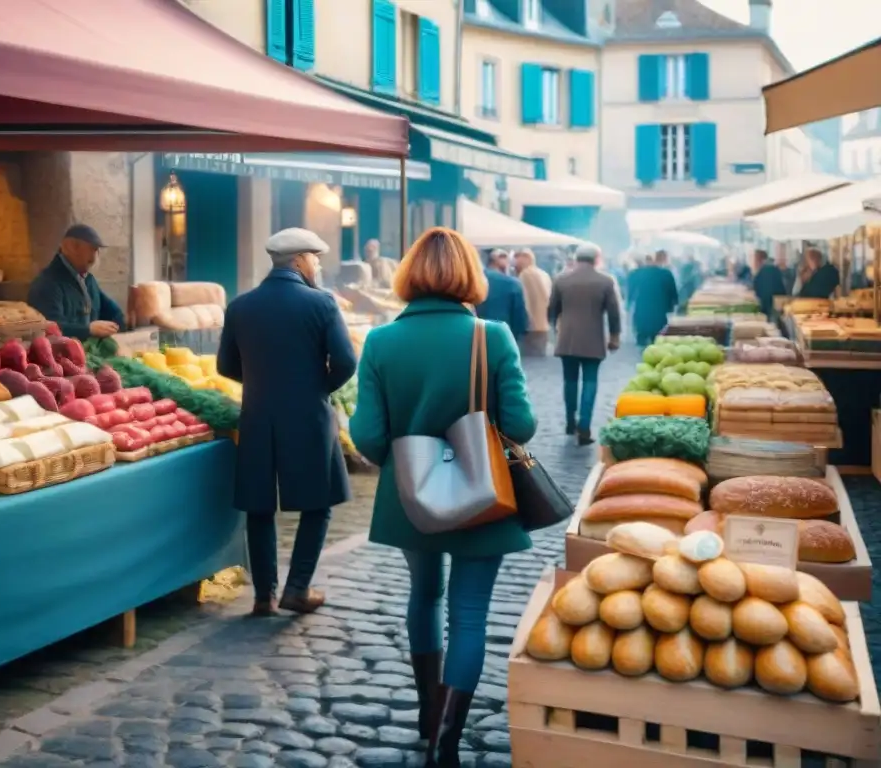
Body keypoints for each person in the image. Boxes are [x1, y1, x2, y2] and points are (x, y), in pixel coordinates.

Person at [350, 227, 536, 766]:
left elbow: (365, 435)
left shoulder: (382, 341)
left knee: (424, 596)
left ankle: (426, 712)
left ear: (409, 274)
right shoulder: (492, 336)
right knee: (471, 614)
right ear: (468, 275)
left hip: (414, 497)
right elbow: (520, 425)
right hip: (483, 496)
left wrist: (409, 465)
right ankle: (446, 741)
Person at [217, 228, 357, 617]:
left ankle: (264, 596)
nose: (318, 265)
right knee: (318, 502)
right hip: (309, 415)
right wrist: (317, 387)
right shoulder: (322, 303)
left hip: (258, 415)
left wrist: (266, 385)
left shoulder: (240, 306)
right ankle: (297, 588)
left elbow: (225, 365)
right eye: (315, 258)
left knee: (259, 504)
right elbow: (346, 362)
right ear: (298, 260)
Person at [549, 244, 621, 446]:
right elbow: (613, 313)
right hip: (593, 340)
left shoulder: (561, 280)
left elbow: (552, 309)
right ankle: (585, 427)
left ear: (577, 258)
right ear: (596, 259)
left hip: (567, 339)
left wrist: (556, 330)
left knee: (569, 381)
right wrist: (614, 336)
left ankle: (570, 421)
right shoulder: (605, 281)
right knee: (590, 382)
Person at [27, 224, 125, 340]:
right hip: (62, 355)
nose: (95, 256)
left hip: (91, 352)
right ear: (69, 247)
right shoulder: (46, 284)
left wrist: (124, 321)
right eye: (92, 249)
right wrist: (88, 330)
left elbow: (111, 312)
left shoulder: (88, 280)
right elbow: (48, 328)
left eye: (97, 250)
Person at [627, 249, 678, 346]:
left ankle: (642, 342)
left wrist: (628, 304)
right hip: (660, 307)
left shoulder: (635, 274)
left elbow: (630, 292)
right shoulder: (666, 274)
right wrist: (672, 305)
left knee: (642, 329)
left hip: (642, 307)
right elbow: (672, 292)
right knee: (658, 331)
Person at [476, 249, 528, 337]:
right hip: (504, 337)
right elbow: (521, 322)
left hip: (476, 337)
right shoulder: (512, 284)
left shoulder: (472, 281)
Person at [512, 249, 552, 357]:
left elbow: (524, 301)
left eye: (516, 258)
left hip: (531, 326)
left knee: (530, 360)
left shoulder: (525, 275)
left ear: (525, 259)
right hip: (543, 324)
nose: (514, 262)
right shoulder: (544, 274)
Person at [752, 248, 787, 318]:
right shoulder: (769, 268)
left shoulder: (767, 270)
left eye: (754, 259)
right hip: (775, 304)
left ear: (759, 259)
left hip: (771, 306)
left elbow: (766, 291)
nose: (754, 262)